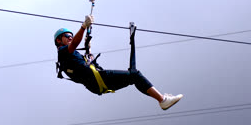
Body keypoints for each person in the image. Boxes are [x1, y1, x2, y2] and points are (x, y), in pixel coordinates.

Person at [55, 15, 183, 110]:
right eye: (67, 36)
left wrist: (88, 49)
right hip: (100, 79)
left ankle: (161, 99)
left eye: (71, 35)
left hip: (97, 85)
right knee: (135, 74)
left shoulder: (69, 57)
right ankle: (162, 100)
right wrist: (83, 27)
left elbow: (85, 63)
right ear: (59, 41)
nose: (70, 37)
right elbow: (74, 45)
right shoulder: (63, 52)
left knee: (134, 77)